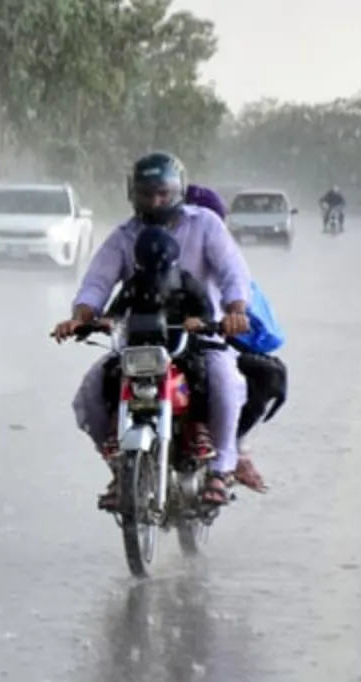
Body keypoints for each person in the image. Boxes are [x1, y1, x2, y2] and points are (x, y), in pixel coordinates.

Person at [53, 152, 252, 508]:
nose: (155, 201)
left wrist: (235, 311)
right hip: (139, 343)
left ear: (178, 190)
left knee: (223, 381)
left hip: (199, 338)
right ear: (133, 193)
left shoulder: (205, 223)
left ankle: (221, 470)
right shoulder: (124, 235)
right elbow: (97, 284)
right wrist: (83, 317)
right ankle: (120, 469)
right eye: (146, 193)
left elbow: (232, 272)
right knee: (91, 391)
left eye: (162, 192)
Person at [185, 183, 287, 493]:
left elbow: (259, 326)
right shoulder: (152, 250)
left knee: (268, 375)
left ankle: (232, 447)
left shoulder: (228, 264)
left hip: (212, 342)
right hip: (167, 344)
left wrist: (233, 319)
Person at [97, 226, 217, 467]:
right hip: (138, 350)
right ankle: (114, 426)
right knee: (111, 372)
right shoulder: (134, 284)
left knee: (198, 371)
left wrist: (198, 321)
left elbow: (206, 311)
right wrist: (107, 321)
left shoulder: (186, 281)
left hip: (177, 349)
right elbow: (116, 310)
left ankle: (199, 428)